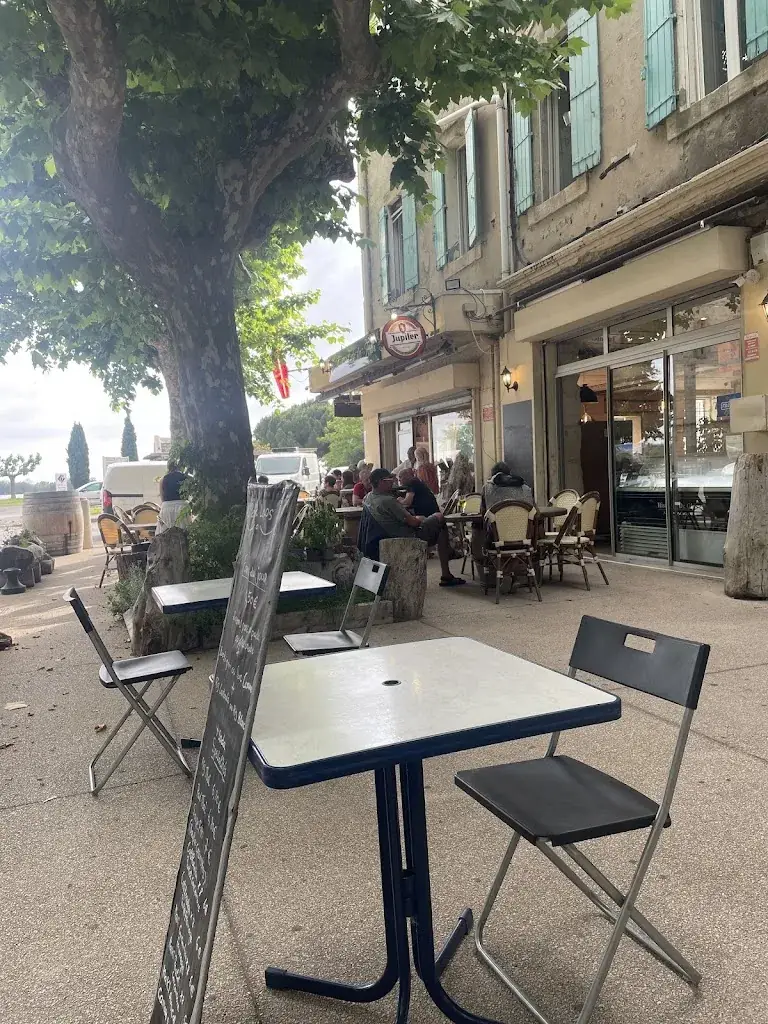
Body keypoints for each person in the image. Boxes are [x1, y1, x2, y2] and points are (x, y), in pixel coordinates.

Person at [364, 468, 465, 587]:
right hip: (407, 537)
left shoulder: (369, 498)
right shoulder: (388, 501)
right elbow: (413, 522)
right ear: (380, 482)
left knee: (438, 526)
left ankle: (447, 558)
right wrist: (420, 518)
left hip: (387, 536)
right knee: (439, 518)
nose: (393, 482)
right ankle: (446, 567)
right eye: (389, 479)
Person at [157, 460, 190, 534]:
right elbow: (188, 494)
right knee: (184, 533)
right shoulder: (186, 477)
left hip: (167, 507)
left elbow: (162, 498)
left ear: (168, 467)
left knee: (165, 534)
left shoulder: (163, 479)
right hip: (182, 506)